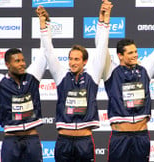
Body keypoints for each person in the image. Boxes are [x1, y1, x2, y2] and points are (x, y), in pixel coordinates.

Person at [0, 6, 48, 162]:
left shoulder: (32, 77)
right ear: (7, 64)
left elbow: (46, 51)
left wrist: (44, 24)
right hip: (11, 141)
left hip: (32, 140)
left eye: (23, 60)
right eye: (17, 61)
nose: (22, 64)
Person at [38, 1, 112, 161]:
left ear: (85, 61)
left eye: (77, 59)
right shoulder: (61, 75)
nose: (72, 62)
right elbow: (49, 52)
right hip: (64, 140)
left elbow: (101, 47)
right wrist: (43, 24)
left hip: (84, 140)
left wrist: (105, 20)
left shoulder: (92, 74)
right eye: (70, 59)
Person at [99, 3, 154, 162]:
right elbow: (101, 47)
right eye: (130, 53)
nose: (134, 55)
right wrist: (105, 19)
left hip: (141, 136)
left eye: (136, 52)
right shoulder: (110, 71)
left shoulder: (144, 69)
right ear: (119, 55)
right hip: (120, 137)